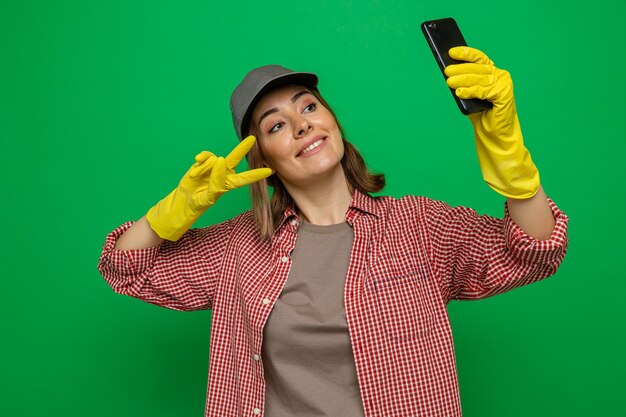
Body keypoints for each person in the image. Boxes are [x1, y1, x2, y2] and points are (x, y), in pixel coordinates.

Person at [98, 46, 569, 417]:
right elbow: (124, 267)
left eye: (308, 106)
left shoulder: (419, 225)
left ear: (332, 120)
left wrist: (509, 154)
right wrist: (173, 212)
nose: (302, 125)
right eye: (277, 125)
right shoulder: (238, 248)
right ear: (262, 157)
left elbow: (534, 251)